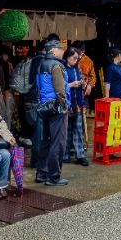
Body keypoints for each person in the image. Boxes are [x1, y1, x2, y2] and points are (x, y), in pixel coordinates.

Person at [33, 37, 70, 186]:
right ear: (53, 51)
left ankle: (41, 173)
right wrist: (65, 106)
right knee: (58, 143)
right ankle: (53, 176)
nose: (62, 52)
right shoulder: (56, 66)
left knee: (46, 141)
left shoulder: (41, 64)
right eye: (60, 49)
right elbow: (60, 90)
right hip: (56, 107)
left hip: (44, 107)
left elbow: (37, 86)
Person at [62, 46, 90, 167]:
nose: (76, 60)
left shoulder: (76, 69)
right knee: (66, 129)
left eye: (77, 58)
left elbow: (79, 84)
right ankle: (65, 154)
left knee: (78, 130)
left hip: (77, 102)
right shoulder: (62, 69)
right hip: (66, 103)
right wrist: (71, 85)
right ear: (67, 57)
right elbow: (59, 87)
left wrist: (82, 84)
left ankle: (80, 155)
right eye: (74, 58)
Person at [104, 46, 121, 149]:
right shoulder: (110, 68)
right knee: (116, 118)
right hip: (114, 95)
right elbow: (107, 83)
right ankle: (116, 139)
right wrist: (107, 97)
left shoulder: (119, 66)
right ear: (118, 55)